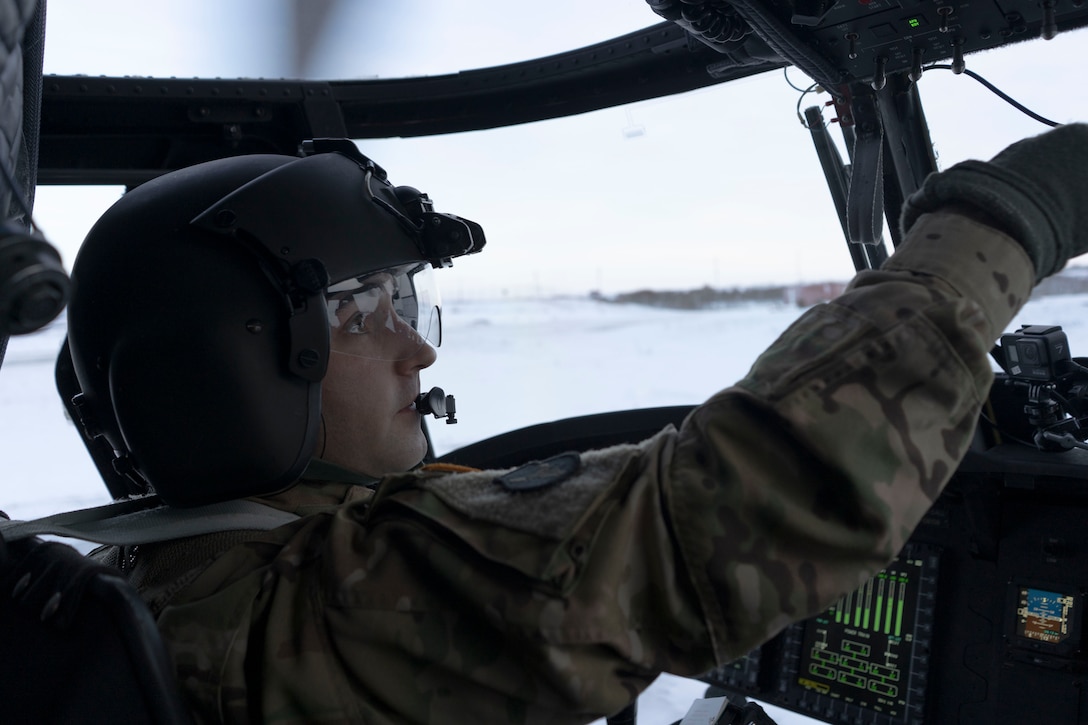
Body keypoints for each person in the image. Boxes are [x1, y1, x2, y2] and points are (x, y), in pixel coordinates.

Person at [61, 125, 1087, 723]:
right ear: (226, 373)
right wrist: (1013, 214)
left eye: (407, 307)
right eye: (366, 314)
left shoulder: (169, 578)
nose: (417, 351)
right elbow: (751, 499)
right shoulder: (294, 610)